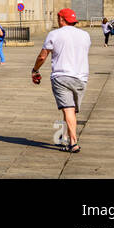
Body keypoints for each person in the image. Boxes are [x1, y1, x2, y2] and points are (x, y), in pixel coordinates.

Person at [32, 8, 91, 153]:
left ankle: (73, 143)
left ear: (61, 19)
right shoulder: (85, 35)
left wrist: (35, 70)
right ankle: (63, 137)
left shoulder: (54, 34)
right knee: (70, 110)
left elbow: (42, 56)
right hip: (81, 77)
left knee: (68, 109)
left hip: (61, 76)